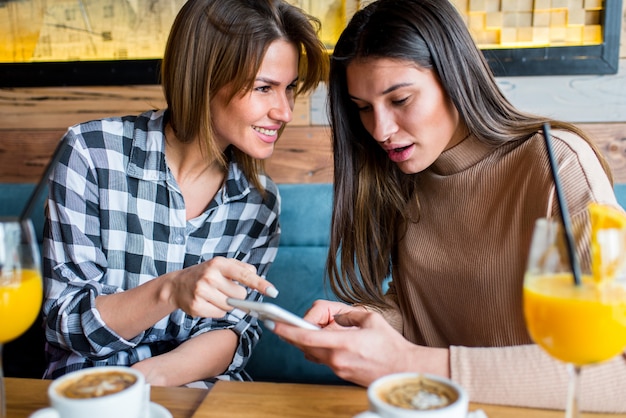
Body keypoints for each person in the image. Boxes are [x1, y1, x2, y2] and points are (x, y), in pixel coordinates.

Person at [270, 0, 626, 412]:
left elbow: (614, 369)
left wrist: (407, 363)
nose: (381, 130)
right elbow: (423, 312)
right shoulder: (404, 173)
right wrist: (362, 323)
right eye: (363, 109)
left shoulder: (556, 166)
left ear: (455, 78)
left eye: (400, 100)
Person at [41, 0, 328, 388]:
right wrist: (172, 290)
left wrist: (144, 383)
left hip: (196, 391)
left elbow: (232, 332)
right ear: (204, 79)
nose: (285, 111)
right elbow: (66, 321)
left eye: (289, 88)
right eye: (264, 88)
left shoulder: (259, 204)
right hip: (93, 390)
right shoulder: (91, 153)